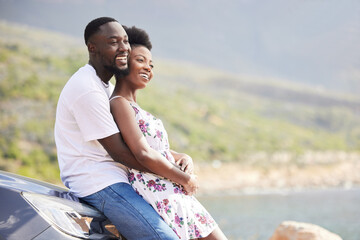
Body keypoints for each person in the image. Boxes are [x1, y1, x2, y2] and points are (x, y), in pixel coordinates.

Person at [54, 17, 180, 239]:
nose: (123, 48)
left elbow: (136, 141)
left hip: (118, 178)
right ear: (93, 48)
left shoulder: (105, 87)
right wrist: (176, 176)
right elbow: (121, 152)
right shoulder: (87, 88)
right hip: (99, 183)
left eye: (125, 41)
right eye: (114, 42)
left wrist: (178, 157)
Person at [109, 26, 228, 240]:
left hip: (172, 190)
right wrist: (186, 179)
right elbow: (142, 153)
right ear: (123, 62)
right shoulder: (120, 104)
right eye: (141, 60)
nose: (148, 68)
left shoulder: (135, 107)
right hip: (157, 192)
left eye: (151, 64)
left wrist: (182, 157)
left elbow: (157, 148)